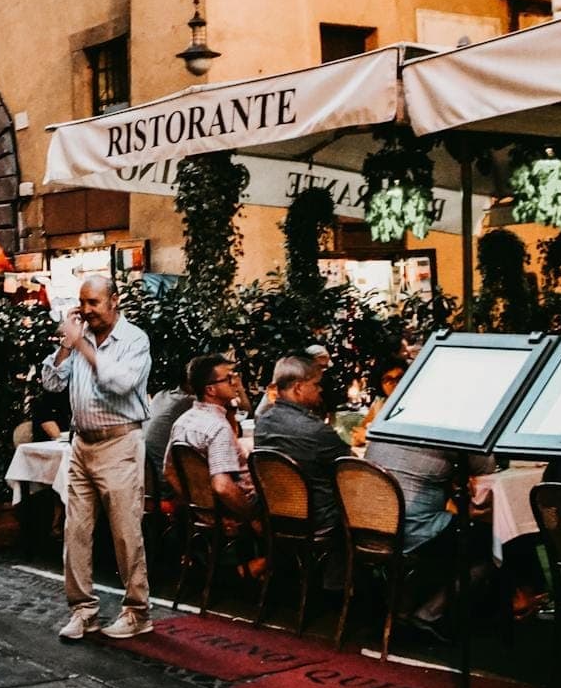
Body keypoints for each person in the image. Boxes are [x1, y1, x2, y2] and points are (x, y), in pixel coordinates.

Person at [39, 274, 153, 641]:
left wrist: (82, 347)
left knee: (125, 531)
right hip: (81, 444)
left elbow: (119, 383)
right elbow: (51, 383)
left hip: (119, 442)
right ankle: (83, 610)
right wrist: (66, 347)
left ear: (114, 301)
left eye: (94, 303)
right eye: (82, 303)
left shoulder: (134, 339)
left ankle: (137, 611)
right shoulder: (79, 339)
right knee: (76, 531)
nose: (87, 311)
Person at [363, 438, 497, 636]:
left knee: (449, 531)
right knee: (493, 542)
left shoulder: (389, 422)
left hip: (365, 526)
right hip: (410, 531)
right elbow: (486, 465)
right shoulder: (444, 429)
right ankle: (428, 615)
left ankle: (402, 608)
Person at [254, 354, 354, 535]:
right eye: (315, 384)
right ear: (299, 388)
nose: (320, 389)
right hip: (319, 520)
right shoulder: (316, 431)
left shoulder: (262, 423)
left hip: (277, 514)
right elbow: (352, 468)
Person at [165, 355, 259, 523]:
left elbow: (169, 471)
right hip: (239, 506)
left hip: (205, 510)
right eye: (229, 379)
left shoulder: (183, 421)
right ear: (210, 390)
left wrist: (198, 505)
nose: (235, 383)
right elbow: (222, 487)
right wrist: (251, 518)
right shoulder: (218, 428)